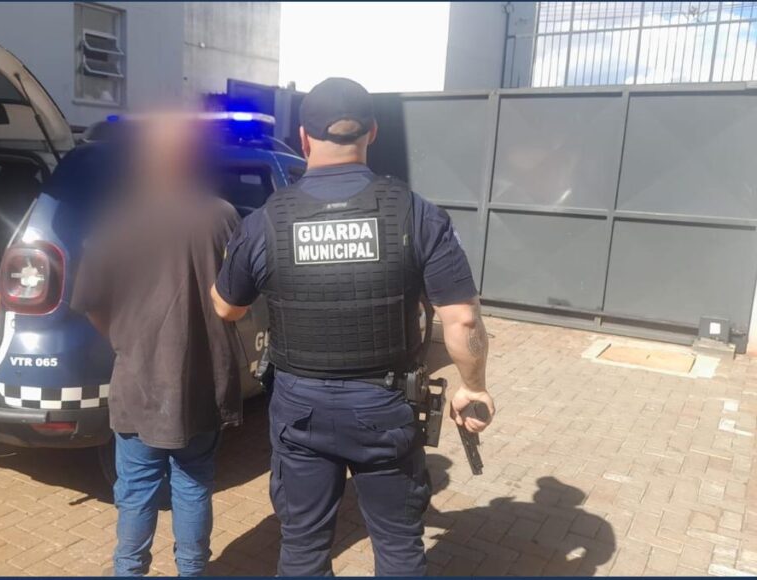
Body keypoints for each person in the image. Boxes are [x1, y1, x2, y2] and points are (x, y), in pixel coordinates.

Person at [210, 77, 495, 576]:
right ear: (372, 132)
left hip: (299, 408)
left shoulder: (266, 220)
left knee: (303, 548)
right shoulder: (417, 213)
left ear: (303, 138)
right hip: (385, 404)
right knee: (399, 547)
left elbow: (226, 308)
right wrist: (473, 386)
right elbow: (463, 317)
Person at [72, 116, 244, 576]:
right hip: (204, 382)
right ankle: (193, 571)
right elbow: (239, 300)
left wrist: (123, 340)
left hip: (138, 380)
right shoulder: (223, 216)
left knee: (136, 488)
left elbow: (90, 302)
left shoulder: (116, 219)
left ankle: (129, 571)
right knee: (194, 483)